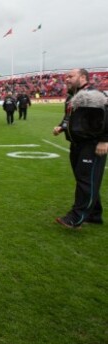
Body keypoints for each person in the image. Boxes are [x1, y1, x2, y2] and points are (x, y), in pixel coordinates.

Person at [53, 68, 107, 228]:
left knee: (86, 181)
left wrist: (105, 139)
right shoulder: (72, 96)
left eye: (71, 76)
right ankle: (94, 214)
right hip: (77, 144)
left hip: (92, 144)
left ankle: (76, 217)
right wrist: (62, 126)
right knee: (85, 179)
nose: (67, 79)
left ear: (83, 77)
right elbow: (70, 117)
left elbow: (106, 116)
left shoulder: (93, 95)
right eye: (66, 77)